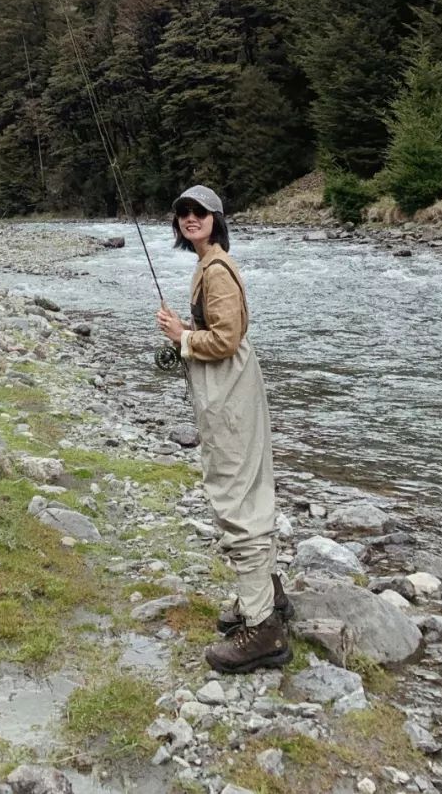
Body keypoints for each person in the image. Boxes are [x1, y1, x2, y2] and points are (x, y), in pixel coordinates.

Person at [155, 183, 292, 674]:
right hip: (234, 389)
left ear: (215, 219)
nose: (189, 218)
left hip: (230, 393)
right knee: (250, 487)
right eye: (182, 213)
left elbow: (228, 339)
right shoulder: (209, 264)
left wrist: (183, 337)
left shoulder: (216, 270)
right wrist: (185, 336)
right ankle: (268, 595)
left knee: (235, 495)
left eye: (199, 213)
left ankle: (263, 631)